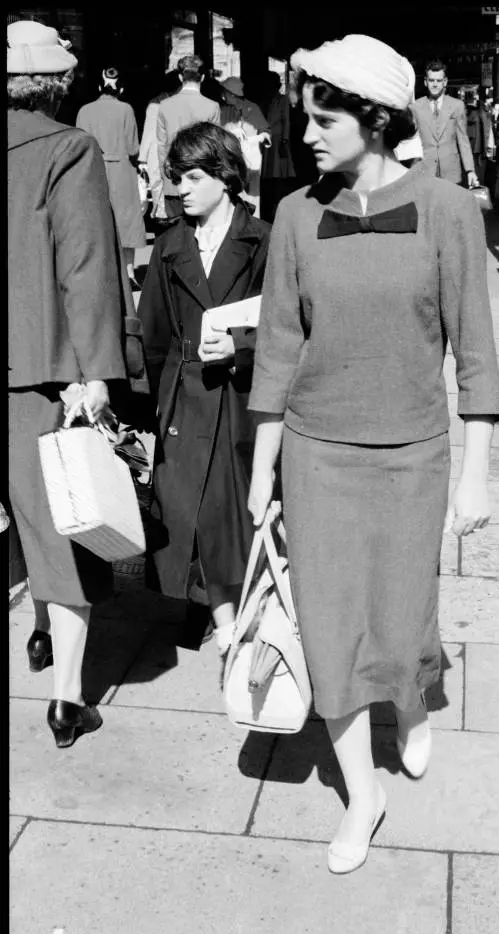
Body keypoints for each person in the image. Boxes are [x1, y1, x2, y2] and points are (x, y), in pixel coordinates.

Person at [247, 33, 499, 874]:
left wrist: (477, 472)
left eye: (325, 119)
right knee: (330, 632)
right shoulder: (293, 215)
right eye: (304, 117)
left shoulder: (449, 210)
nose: (307, 134)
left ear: (376, 117)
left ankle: (414, 699)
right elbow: (279, 347)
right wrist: (261, 469)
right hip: (317, 456)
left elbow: (473, 351)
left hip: (413, 455)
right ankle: (364, 794)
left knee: (400, 619)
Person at [7, 21, 128, 747]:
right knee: (58, 528)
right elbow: (85, 269)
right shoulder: (67, 149)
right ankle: (65, 700)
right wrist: (93, 371)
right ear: (55, 85)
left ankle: (41, 629)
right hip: (39, 369)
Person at [137, 122, 270, 658]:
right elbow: (152, 332)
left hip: (243, 397)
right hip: (184, 397)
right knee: (184, 509)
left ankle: (228, 611)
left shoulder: (263, 240)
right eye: (176, 179)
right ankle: (211, 608)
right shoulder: (170, 244)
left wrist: (241, 348)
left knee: (229, 510)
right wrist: (145, 402)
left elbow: (293, 325)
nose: (181, 189)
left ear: (224, 176)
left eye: (193, 177)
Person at [76, 68, 146, 290]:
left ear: (98, 86)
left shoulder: (85, 111)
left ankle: (101, 272)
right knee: (126, 220)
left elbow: (79, 144)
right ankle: (129, 272)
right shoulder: (126, 109)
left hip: (93, 169)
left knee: (96, 218)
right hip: (122, 169)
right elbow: (133, 146)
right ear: (121, 88)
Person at [156, 55, 221, 219]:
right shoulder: (212, 107)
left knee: (175, 233)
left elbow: (162, 147)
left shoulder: (164, 106)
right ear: (203, 78)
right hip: (202, 179)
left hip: (174, 179)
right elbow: (215, 148)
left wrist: (167, 176)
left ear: (180, 77)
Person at [411, 58, 478, 187]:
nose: (435, 84)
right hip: (425, 171)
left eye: (438, 80)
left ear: (445, 82)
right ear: (425, 82)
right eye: (431, 80)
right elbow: (412, 141)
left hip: (451, 172)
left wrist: (470, 170)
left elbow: (463, 140)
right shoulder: (416, 107)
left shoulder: (456, 106)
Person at [217, 76, 271, 217]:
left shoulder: (252, 108)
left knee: (253, 197)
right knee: (233, 195)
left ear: (232, 94)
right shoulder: (223, 110)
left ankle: (254, 225)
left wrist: (256, 138)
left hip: (252, 160)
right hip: (232, 161)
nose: (222, 95)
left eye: (225, 92)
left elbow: (266, 131)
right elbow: (217, 133)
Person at [138, 70, 181, 225]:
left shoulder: (155, 104)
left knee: (159, 191)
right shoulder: (177, 102)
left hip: (157, 153)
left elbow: (148, 134)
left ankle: (163, 220)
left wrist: (142, 158)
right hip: (175, 151)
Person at [259, 70, 297, 223]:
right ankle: (269, 204)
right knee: (267, 174)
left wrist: (285, 141)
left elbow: (286, 120)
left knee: (278, 174)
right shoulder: (263, 100)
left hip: (278, 140)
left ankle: (277, 204)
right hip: (265, 139)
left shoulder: (282, 100)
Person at [465, 86, 495, 186]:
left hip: (476, 152)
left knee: (475, 179)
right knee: (477, 179)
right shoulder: (482, 115)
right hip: (475, 152)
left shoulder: (481, 114)